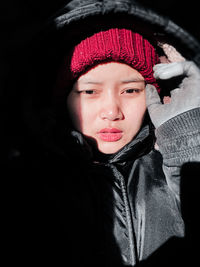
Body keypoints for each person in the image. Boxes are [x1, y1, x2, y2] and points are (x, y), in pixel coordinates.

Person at [3, 1, 200, 266]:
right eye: (89, 91)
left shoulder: (179, 167)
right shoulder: (26, 183)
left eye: (130, 90)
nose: (111, 111)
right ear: (63, 99)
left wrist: (190, 139)